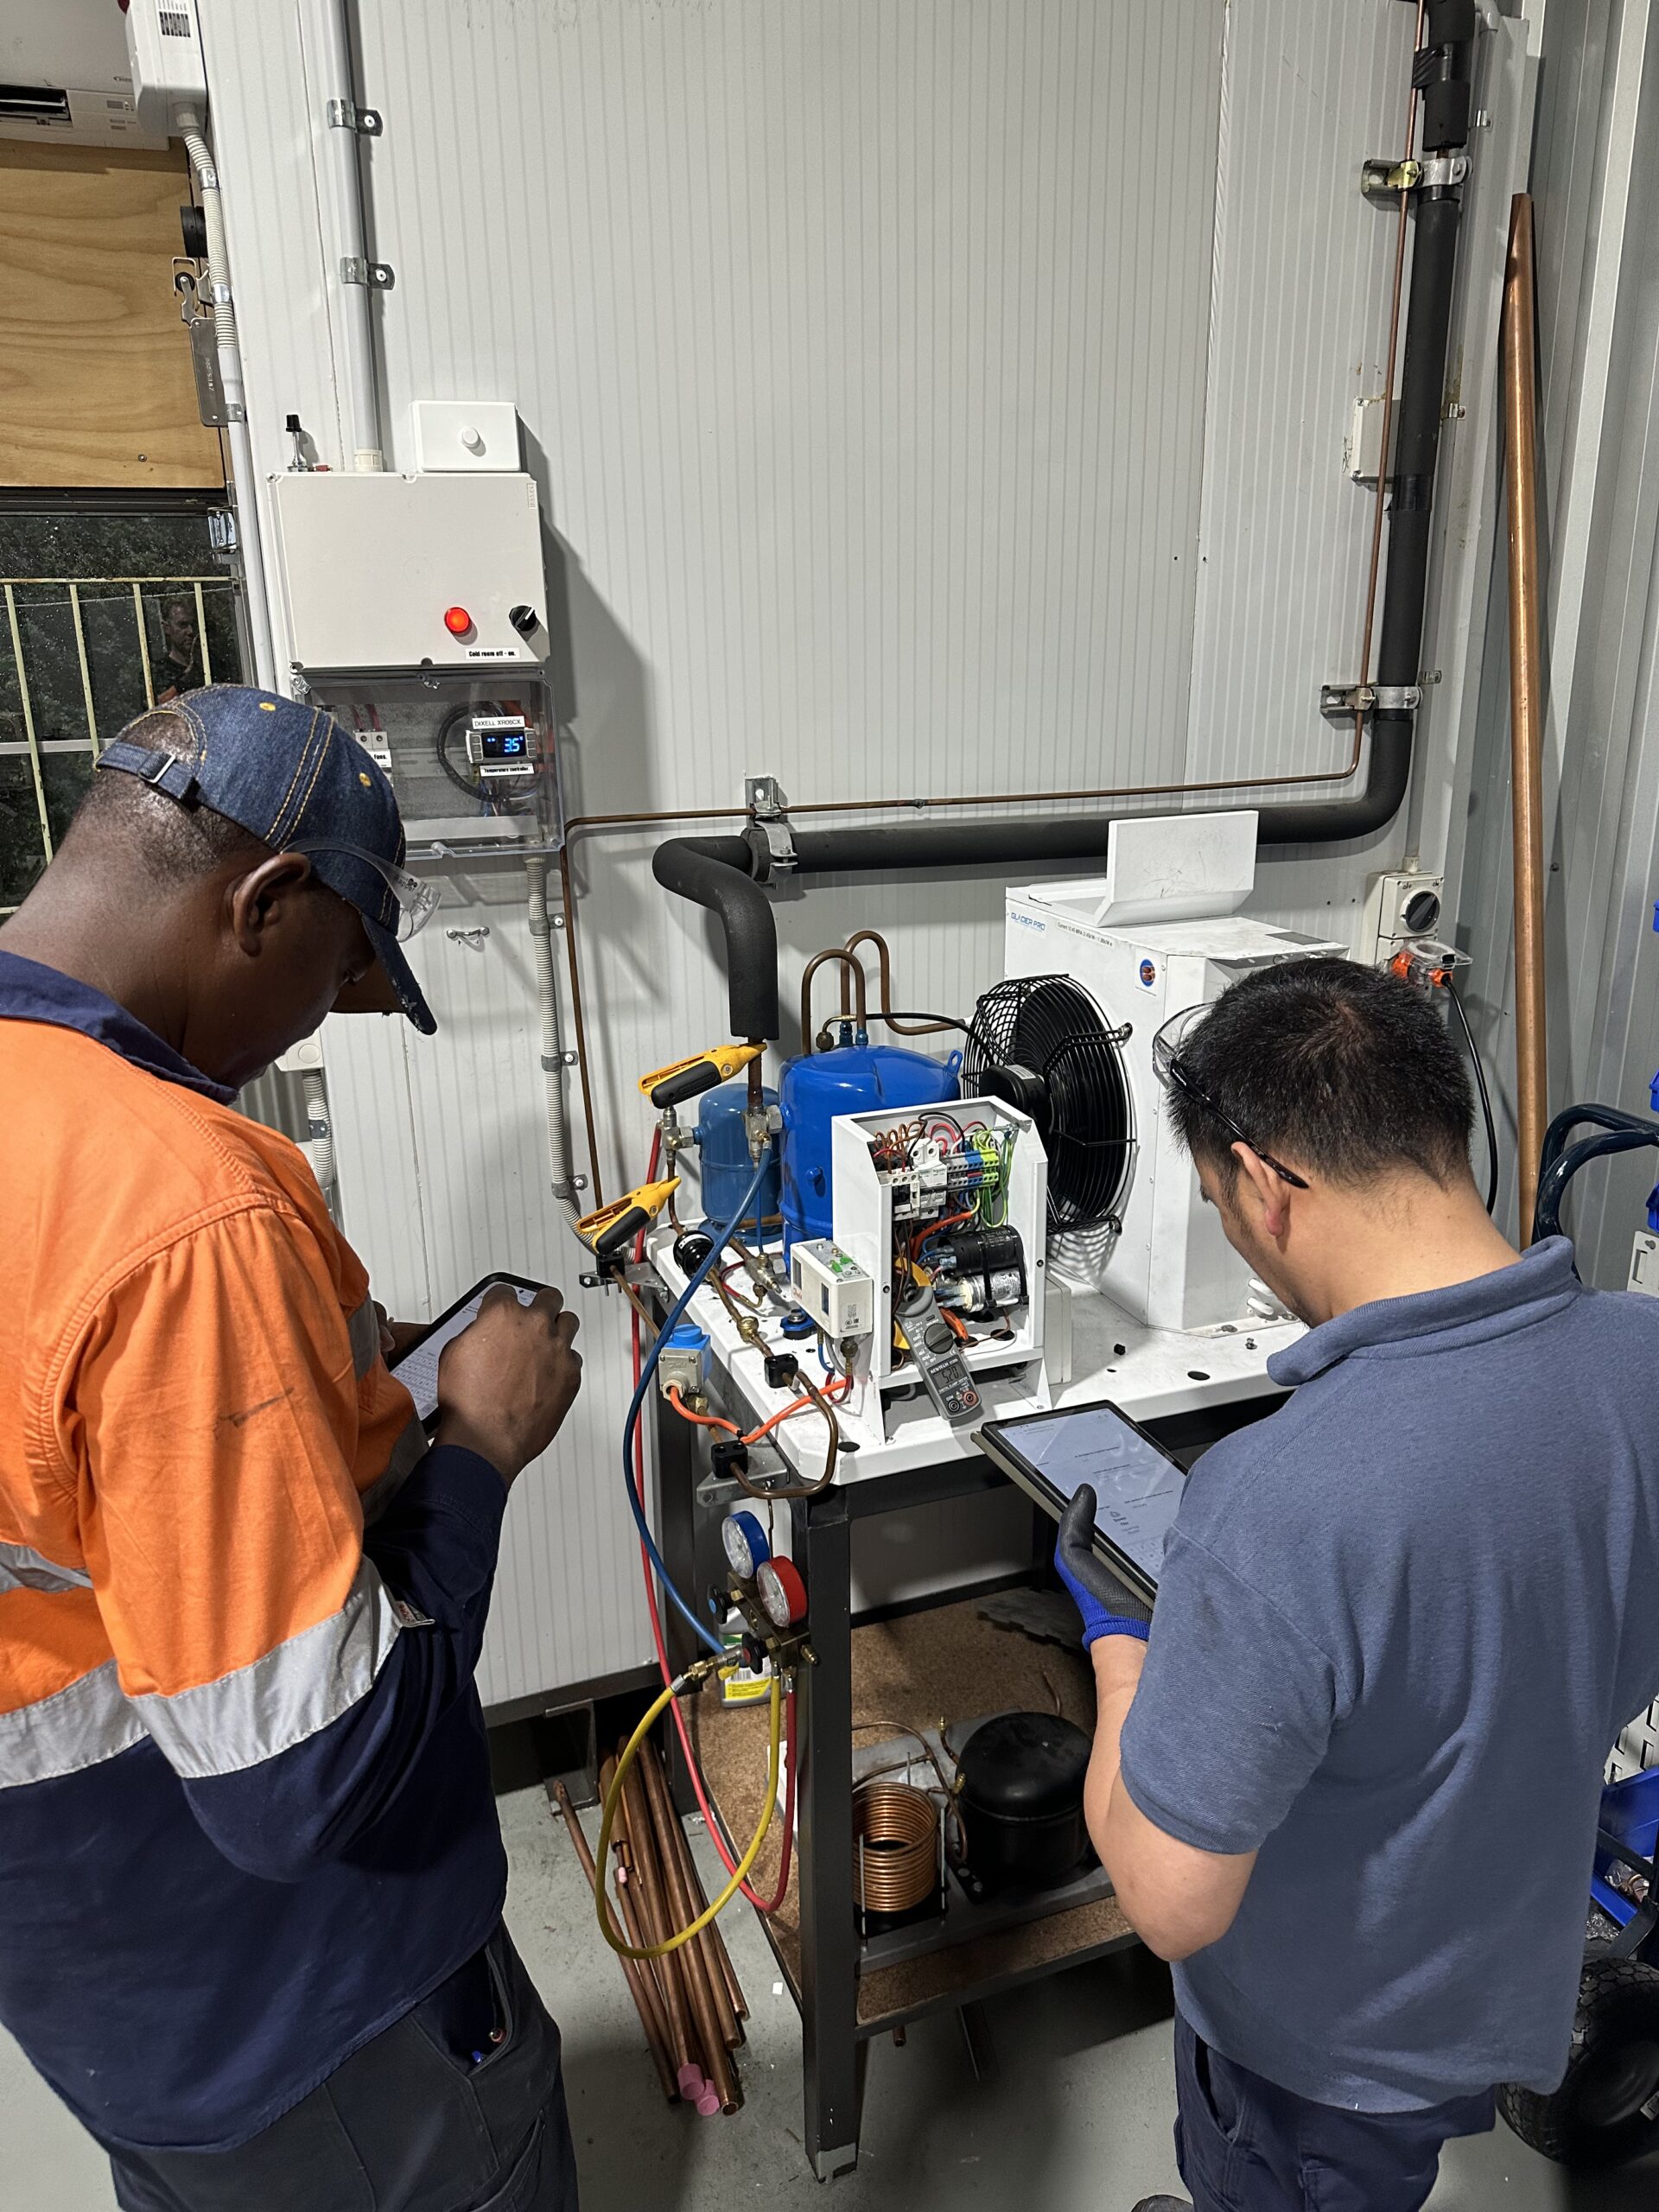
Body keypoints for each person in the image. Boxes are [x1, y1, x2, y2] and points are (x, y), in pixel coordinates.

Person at [0, 686, 584, 2211]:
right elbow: (303, 1782)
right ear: (263, 901)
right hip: (312, 2008)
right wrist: (480, 1444)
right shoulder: (184, 1202)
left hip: (96, 1985)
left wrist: (326, 1365)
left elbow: (67, 1461)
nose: (317, 1021)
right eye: (337, 971)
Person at [1054, 957, 1659, 2212]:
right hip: (1496, 1978)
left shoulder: (1274, 1500)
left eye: (1223, 1201)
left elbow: (1171, 1901)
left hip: (1314, 2056)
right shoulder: (1644, 1363)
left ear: (1270, 1187)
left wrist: (1124, 1642)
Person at [151, 594, 206, 700]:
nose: (190, 631)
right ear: (167, 628)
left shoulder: (212, 664)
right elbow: (159, 709)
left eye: (193, 624)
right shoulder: (156, 672)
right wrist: (185, 679)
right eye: (182, 625)